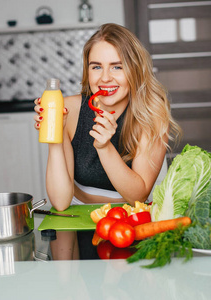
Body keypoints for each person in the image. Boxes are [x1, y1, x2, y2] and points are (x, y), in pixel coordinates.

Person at [34, 23, 181, 212]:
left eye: (117, 67)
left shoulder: (152, 115)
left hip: (133, 213)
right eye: (96, 67)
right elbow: (61, 203)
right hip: (79, 212)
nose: (105, 78)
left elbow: (138, 196)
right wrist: (56, 136)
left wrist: (104, 147)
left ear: (134, 70)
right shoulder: (68, 109)